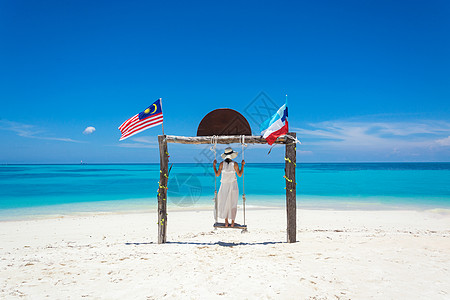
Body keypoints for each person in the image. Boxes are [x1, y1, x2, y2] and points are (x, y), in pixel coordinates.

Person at [213, 147, 245, 227]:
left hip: (224, 186)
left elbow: (217, 174)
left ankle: (226, 222)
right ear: (232, 155)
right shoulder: (235, 164)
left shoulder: (221, 164)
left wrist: (214, 166)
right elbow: (240, 175)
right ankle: (233, 222)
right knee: (233, 203)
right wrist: (243, 165)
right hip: (233, 185)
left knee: (224, 203)